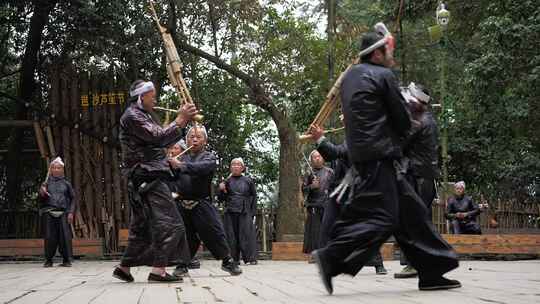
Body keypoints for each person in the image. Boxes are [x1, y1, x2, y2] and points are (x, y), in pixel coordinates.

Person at [312, 24, 460, 295]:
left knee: (412, 213)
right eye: (387, 51)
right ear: (377, 54)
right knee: (385, 218)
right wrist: (408, 112)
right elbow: (403, 122)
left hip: (365, 158)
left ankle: (431, 271)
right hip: (379, 158)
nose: (391, 56)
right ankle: (331, 257)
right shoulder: (383, 75)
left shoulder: (351, 77)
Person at [113, 80, 197, 283]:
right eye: (153, 96)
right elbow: (158, 137)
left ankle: (124, 268)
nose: (156, 100)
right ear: (142, 97)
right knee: (171, 222)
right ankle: (158, 271)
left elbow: (154, 142)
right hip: (147, 176)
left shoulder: (140, 115)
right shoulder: (133, 115)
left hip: (144, 175)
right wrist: (181, 119)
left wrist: (163, 157)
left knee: (143, 225)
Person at [309, 121, 387, 275]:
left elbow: (336, 152)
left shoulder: (360, 137)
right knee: (329, 226)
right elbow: (333, 154)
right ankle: (328, 262)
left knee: (363, 228)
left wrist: (320, 139)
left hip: (353, 190)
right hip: (341, 189)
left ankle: (377, 263)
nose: (343, 118)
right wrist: (321, 140)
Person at [169, 125, 242, 276]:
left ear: (205, 141)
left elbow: (202, 168)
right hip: (182, 203)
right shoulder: (180, 157)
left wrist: (181, 166)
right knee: (184, 234)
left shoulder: (209, 157)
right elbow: (172, 177)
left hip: (202, 203)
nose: (194, 139)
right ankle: (182, 265)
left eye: (198, 137)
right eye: (191, 137)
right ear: (187, 140)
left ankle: (227, 261)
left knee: (214, 231)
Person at [395, 83, 440, 279]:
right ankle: (419, 262)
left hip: (420, 177)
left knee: (416, 221)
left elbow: (399, 144)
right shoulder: (422, 118)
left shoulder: (419, 121)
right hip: (423, 177)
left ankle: (420, 264)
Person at [218, 158, 258, 265]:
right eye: (233, 165)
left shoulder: (248, 181)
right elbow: (221, 198)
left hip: (244, 210)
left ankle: (250, 258)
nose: (235, 166)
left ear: (242, 168)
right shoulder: (226, 181)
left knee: (246, 234)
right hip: (230, 210)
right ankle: (234, 258)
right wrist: (222, 190)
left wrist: (253, 212)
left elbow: (254, 196)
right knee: (231, 236)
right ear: (230, 168)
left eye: (238, 164)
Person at [38, 157, 77, 268]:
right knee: (49, 237)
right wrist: (42, 193)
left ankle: (66, 259)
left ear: (62, 169)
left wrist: (71, 212)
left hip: (63, 213)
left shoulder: (66, 184)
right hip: (49, 212)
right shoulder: (46, 183)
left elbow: (73, 199)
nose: (56, 170)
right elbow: (41, 200)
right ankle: (49, 260)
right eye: (54, 168)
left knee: (64, 237)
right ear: (51, 170)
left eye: (58, 168)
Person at [302, 150, 333, 255]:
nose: (317, 158)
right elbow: (303, 189)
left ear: (323, 158)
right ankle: (315, 254)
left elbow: (334, 187)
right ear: (311, 160)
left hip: (327, 205)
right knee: (315, 231)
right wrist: (312, 186)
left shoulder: (330, 172)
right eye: (314, 157)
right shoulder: (309, 173)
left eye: (319, 156)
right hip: (314, 205)